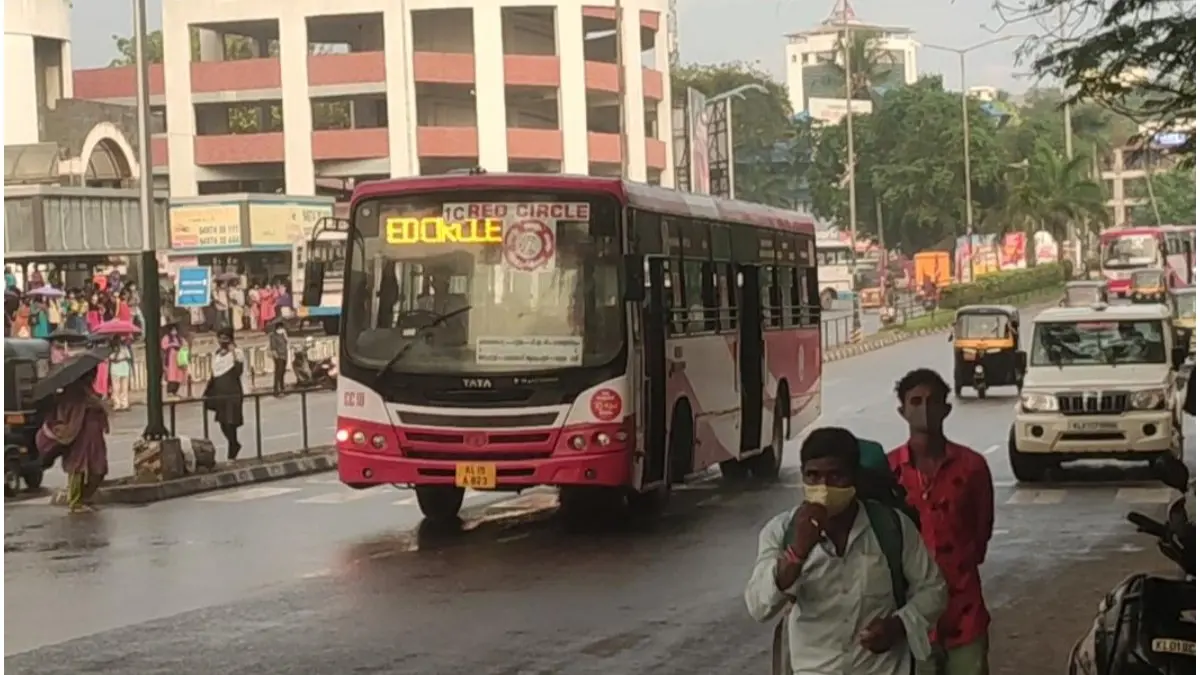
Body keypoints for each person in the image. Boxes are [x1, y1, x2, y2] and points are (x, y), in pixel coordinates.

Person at [746, 426, 948, 675]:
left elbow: (934, 589)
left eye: (835, 476)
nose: (823, 487)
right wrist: (797, 553)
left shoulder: (891, 527)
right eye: (813, 476)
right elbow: (759, 607)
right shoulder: (779, 532)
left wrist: (898, 625)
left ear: (855, 478)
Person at [888, 369, 995, 675]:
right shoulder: (889, 470)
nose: (924, 409)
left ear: (947, 408)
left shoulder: (972, 467)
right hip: (911, 615)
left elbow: (981, 531)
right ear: (902, 411)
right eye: (916, 401)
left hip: (964, 612)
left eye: (933, 401)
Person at [36, 368, 110, 514]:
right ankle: (75, 502)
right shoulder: (71, 394)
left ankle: (84, 497)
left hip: (94, 437)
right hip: (78, 439)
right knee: (77, 469)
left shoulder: (90, 393)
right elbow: (67, 416)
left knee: (99, 469)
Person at [203, 327, 245, 461]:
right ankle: (234, 443)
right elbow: (214, 375)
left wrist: (233, 353)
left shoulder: (237, 353)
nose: (222, 340)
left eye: (225, 338)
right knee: (222, 422)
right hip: (220, 393)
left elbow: (238, 371)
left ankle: (232, 451)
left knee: (231, 422)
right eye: (220, 338)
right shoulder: (217, 354)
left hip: (232, 393)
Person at [108, 336, 134, 411]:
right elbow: (111, 358)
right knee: (116, 388)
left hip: (124, 368)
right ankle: (117, 404)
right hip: (115, 368)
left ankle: (124, 404)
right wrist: (116, 352)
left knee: (124, 388)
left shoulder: (124, 348)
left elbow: (128, 357)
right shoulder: (111, 349)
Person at [162, 325, 186, 397]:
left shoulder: (180, 338)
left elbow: (185, 345)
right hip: (171, 359)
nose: (174, 331)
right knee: (171, 376)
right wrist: (171, 344)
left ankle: (175, 391)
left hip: (178, 358)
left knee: (178, 375)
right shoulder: (166, 337)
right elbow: (163, 346)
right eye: (172, 330)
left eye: (175, 330)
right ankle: (170, 392)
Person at [269, 321, 289, 396]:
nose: (281, 329)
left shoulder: (283, 335)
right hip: (278, 356)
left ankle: (282, 388)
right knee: (278, 372)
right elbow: (273, 347)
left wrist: (285, 334)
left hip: (284, 356)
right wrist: (276, 357)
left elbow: (287, 341)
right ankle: (276, 389)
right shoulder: (273, 336)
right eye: (280, 328)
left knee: (283, 372)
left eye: (282, 328)